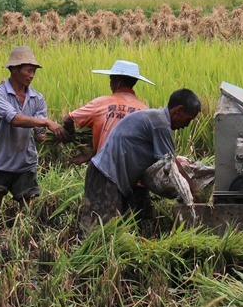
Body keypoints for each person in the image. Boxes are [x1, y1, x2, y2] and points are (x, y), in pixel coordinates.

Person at [79, 88, 201, 230]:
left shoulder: (155, 118)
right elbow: (171, 164)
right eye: (188, 119)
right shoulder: (160, 123)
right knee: (99, 230)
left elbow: (162, 163)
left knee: (114, 228)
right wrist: (194, 190)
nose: (187, 125)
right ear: (178, 110)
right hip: (105, 177)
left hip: (112, 179)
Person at [0, 46, 66, 216]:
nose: (32, 75)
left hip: (25, 165)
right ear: (14, 69)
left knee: (27, 217)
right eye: (28, 71)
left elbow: (40, 135)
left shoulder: (37, 98)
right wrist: (47, 122)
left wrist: (62, 135)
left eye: (34, 71)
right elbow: (14, 119)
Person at [62, 60, 153, 163]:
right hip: (133, 171)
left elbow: (68, 119)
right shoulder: (145, 111)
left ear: (116, 80)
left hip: (104, 167)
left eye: (111, 79)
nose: (110, 84)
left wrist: (72, 137)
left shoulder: (100, 103)